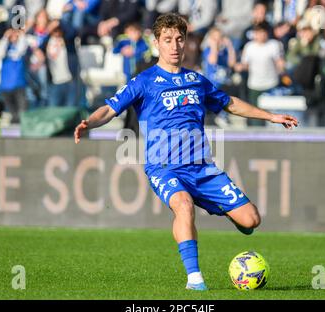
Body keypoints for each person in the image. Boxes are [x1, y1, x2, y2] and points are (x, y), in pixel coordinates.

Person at [74, 13, 298, 291]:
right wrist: (89, 123)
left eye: (179, 39)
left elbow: (230, 104)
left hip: (202, 169)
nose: (175, 45)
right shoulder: (144, 81)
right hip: (164, 167)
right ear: (157, 43)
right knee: (183, 205)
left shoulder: (196, 80)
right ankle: (195, 279)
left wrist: (271, 116)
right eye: (167, 40)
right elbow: (109, 108)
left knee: (251, 220)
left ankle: (217, 206)